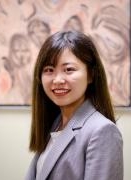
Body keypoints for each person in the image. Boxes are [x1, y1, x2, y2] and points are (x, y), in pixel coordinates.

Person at [25, 31, 123, 180]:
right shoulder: (53, 124)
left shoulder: (102, 131)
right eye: (49, 70)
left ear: (90, 75)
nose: (57, 80)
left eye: (69, 69)